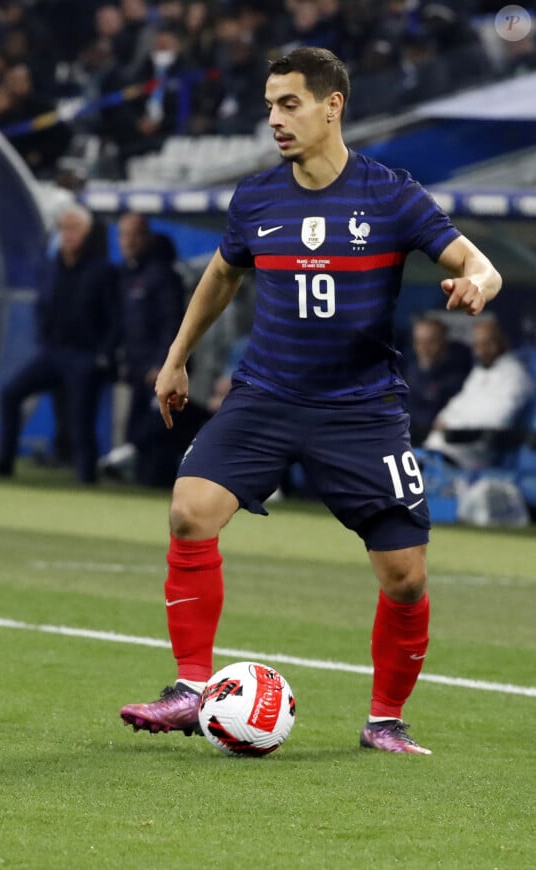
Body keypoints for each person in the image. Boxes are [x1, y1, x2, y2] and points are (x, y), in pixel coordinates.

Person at [120, 47, 502, 755]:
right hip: (266, 393)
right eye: (269, 105)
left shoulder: (391, 194)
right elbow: (221, 277)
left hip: (361, 410)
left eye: (289, 103)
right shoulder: (258, 197)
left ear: (333, 106)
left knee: (406, 578)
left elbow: (479, 263)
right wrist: (177, 358)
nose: (274, 120)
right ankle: (190, 688)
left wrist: (478, 284)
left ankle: (384, 719)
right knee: (189, 511)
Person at [0, 204, 120, 484]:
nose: (68, 235)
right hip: (53, 352)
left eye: (75, 229)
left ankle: (86, 478)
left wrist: (103, 355)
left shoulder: (103, 271)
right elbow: (43, 307)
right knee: (11, 393)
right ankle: (5, 461)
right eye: (64, 229)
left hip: (84, 356)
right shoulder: (52, 267)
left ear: (88, 234)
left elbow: (116, 319)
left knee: (81, 421)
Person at [101, 212, 206, 487]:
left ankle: (145, 471)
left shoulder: (161, 276)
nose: (128, 241)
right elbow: (122, 324)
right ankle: (140, 476)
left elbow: (172, 324)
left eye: (134, 235)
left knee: (160, 426)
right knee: (141, 425)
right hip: (138, 366)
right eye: (123, 235)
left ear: (146, 238)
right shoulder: (125, 275)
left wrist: (164, 363)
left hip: (160, 368)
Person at [423, 318, 533, 470]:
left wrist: (452, 424)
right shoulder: (479, 371)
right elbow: (457, 404)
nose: (479, 351)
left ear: (501, 342)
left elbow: (497, 419)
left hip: (470, 453)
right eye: (477, 345)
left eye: (486, 344)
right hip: (439, 448)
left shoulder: (515, 376)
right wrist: (444, 419)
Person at [404, 316, 472, 446]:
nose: (424, 348)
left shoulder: (458, 374)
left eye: (430, 341)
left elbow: (438, 417)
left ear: (443, 342)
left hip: (443, 446)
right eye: (419, 342)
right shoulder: (411, 370)